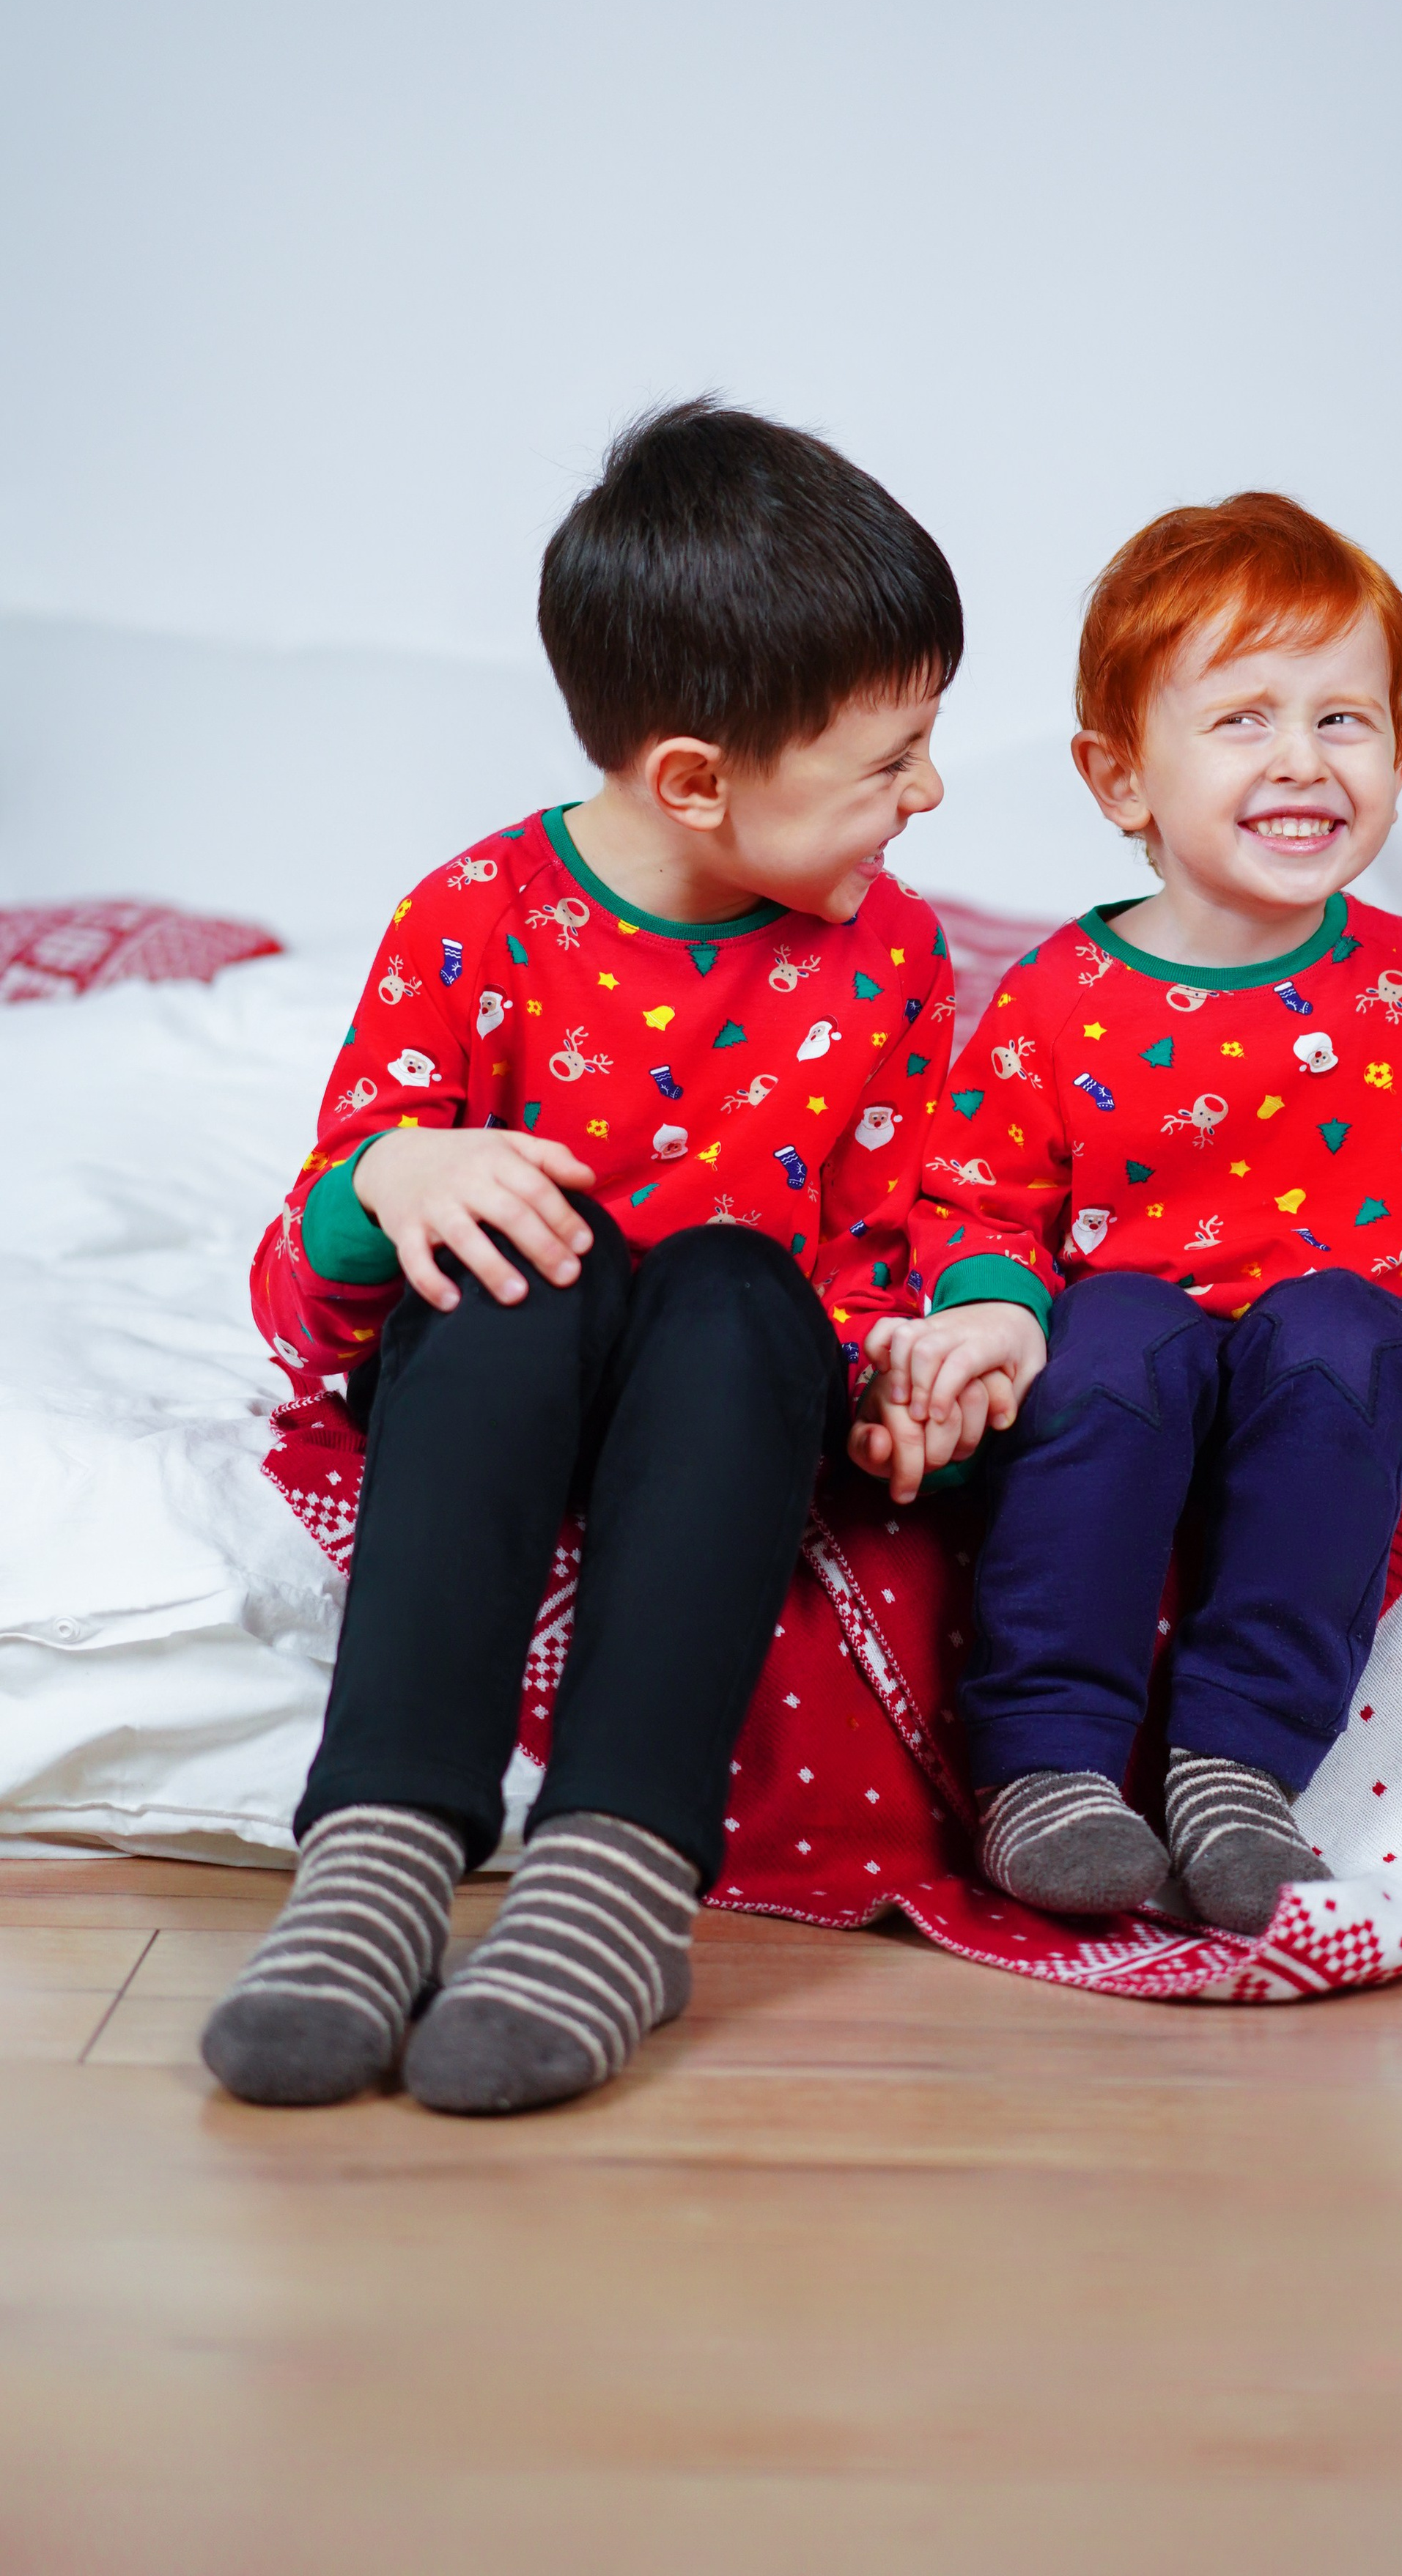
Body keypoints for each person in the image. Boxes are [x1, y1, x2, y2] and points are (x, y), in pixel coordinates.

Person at [203, 399, 973, 2116]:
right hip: (500, 1374)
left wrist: (906, 1369)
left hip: (728, 1377)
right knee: (507, 1258)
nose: (930, 792)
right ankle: (381, 1858)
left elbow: (888, 1249)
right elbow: (301, 1298)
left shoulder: (894, 960)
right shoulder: (471, 922)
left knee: (731, 1281)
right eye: (886, 760)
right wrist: (390, 1178)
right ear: (695, 780)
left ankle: (615, 1876)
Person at [852, 492, 1402, 1937]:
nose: (1300, 760)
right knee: (1111, 1330)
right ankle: (1044, 1766)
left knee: (1357, 1330)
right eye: (1240, 718)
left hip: (1317, 1371)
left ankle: (1236, 1769)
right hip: (1130, 1364)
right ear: (1120, 780)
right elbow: (976, 1195)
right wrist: (988, 1313)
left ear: (1398, 755)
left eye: (1341, 719)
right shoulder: (1058, 993)